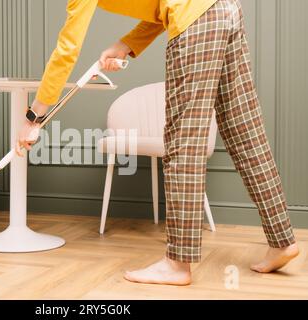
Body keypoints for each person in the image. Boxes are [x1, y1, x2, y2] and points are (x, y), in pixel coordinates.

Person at [16, 0, 299, 286]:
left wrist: (34, 116)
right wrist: (126, 44)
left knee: (182, 142)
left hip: (196, 22)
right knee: (244, 128)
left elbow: (67, 49)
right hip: (224, 10)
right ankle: (282, 240)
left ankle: (177, 263)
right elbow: (164, 7)